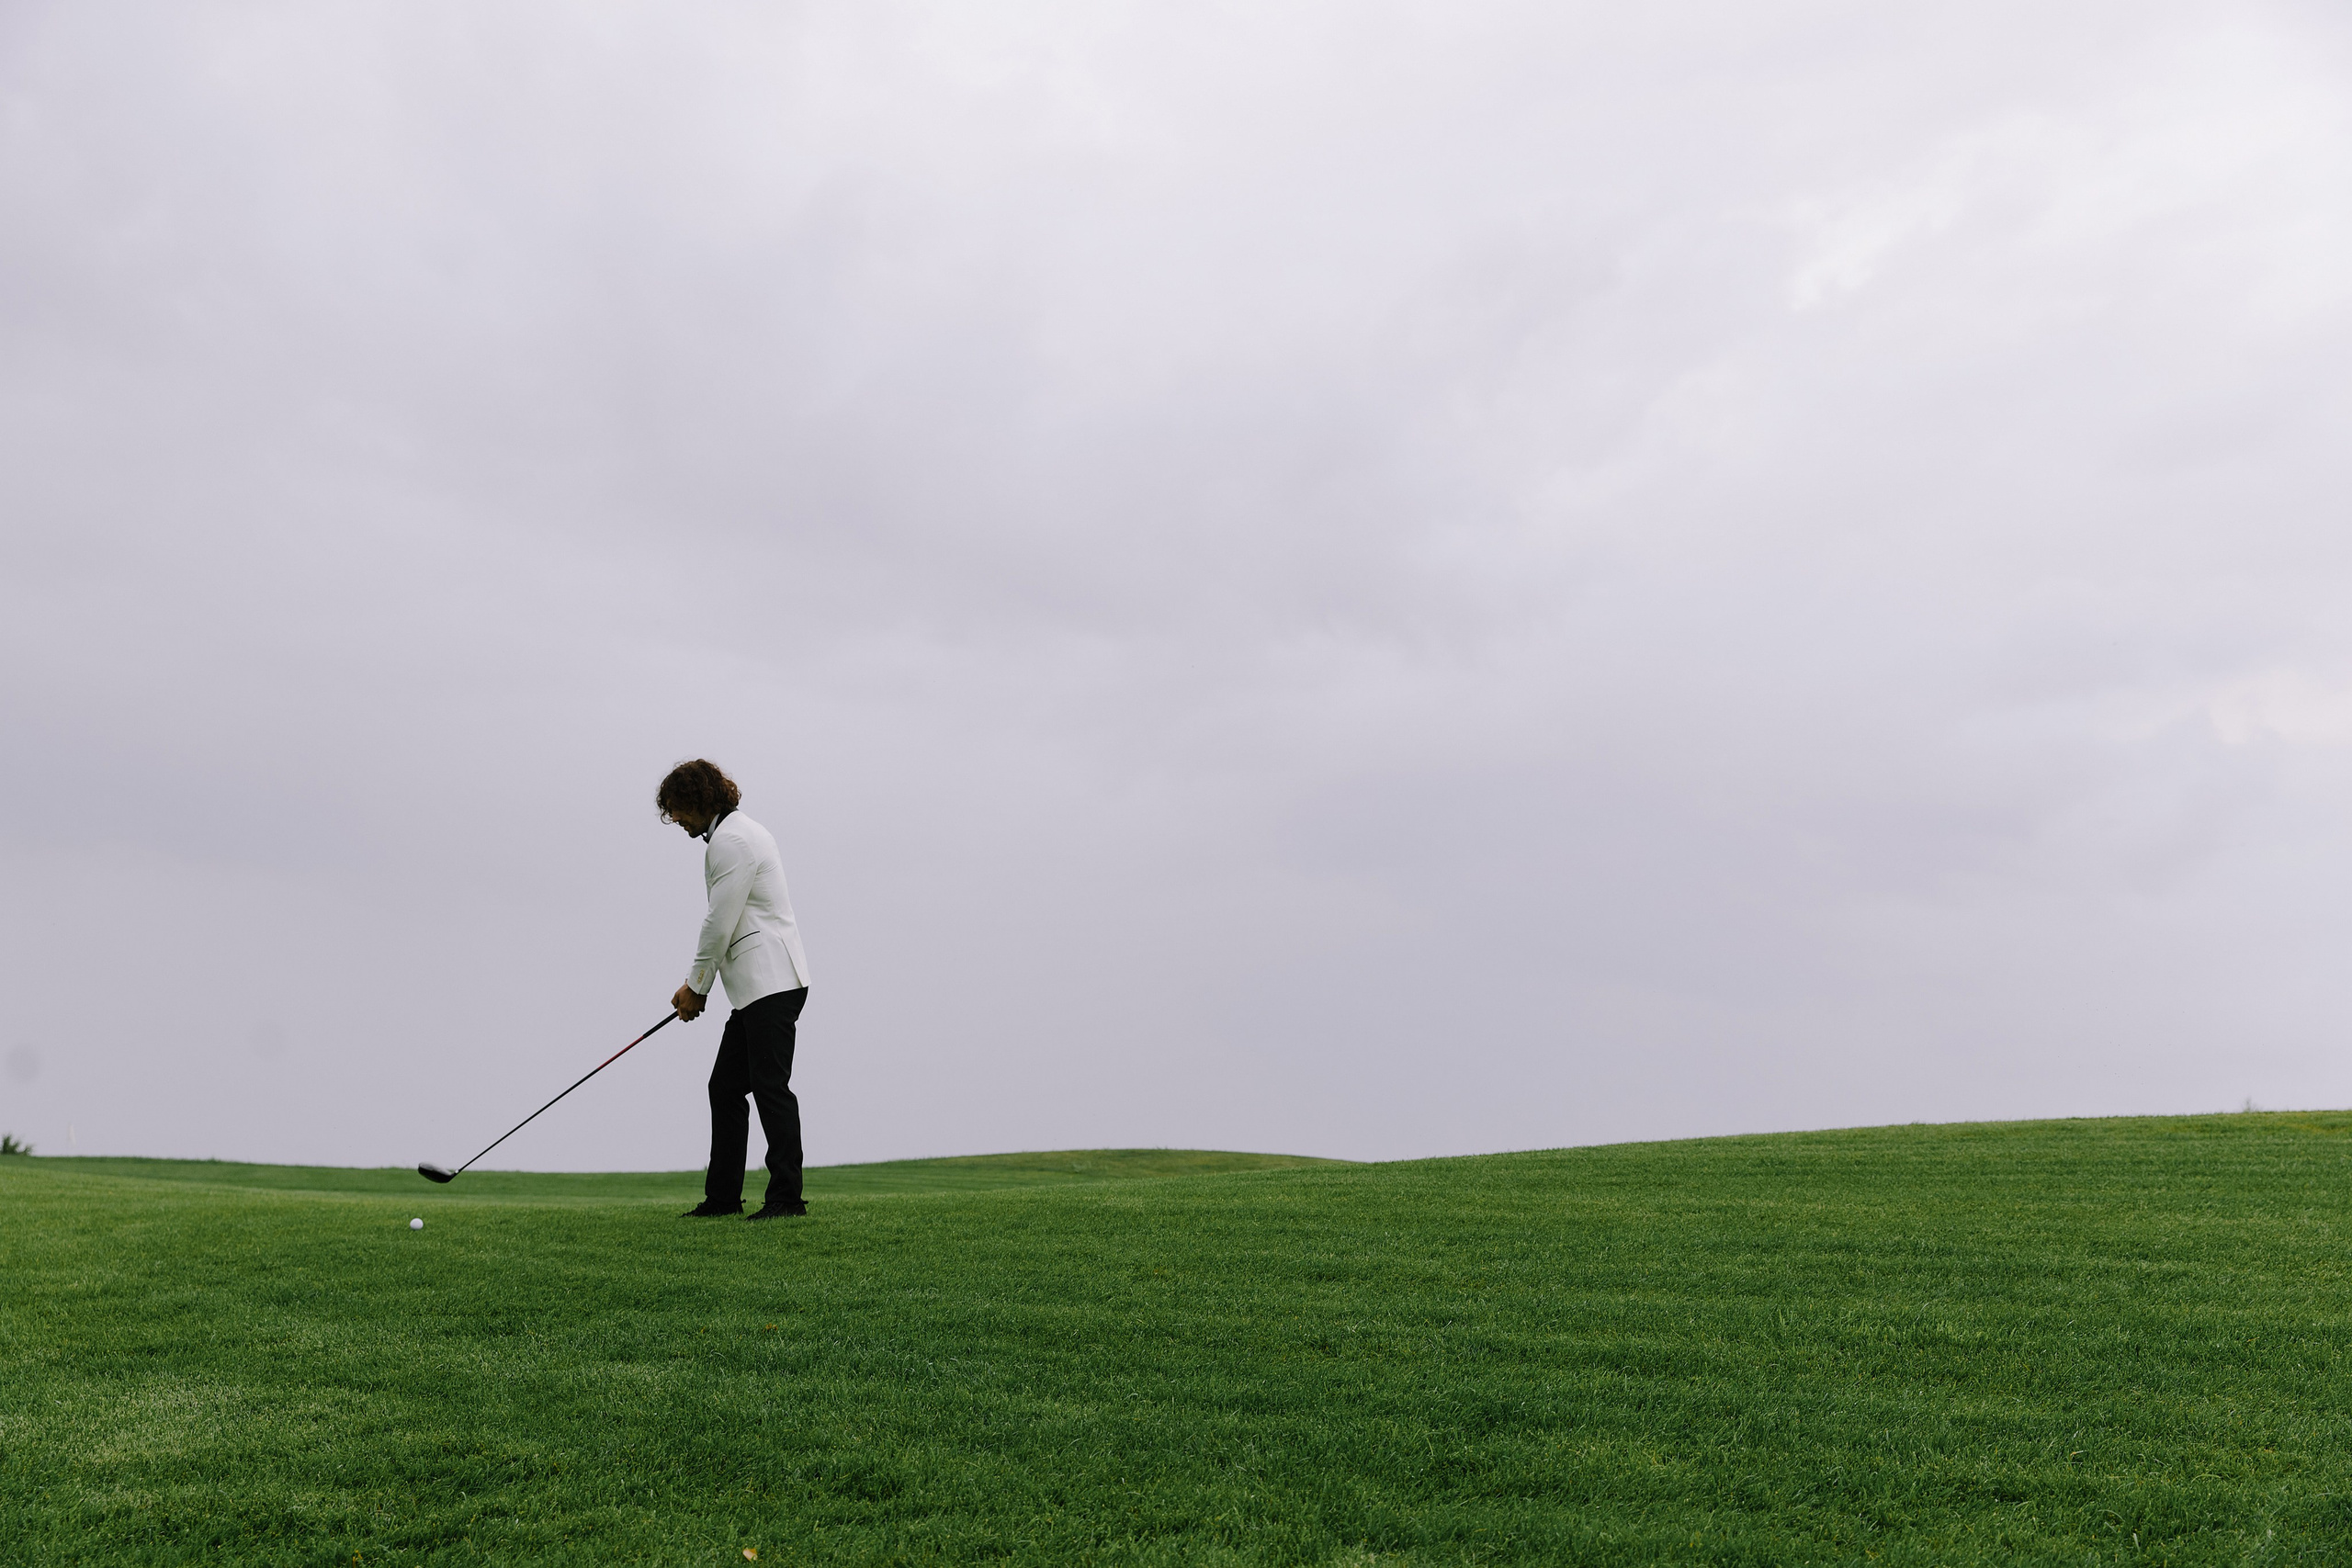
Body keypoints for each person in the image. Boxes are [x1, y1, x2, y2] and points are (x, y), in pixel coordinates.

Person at [656, 759, 813, 1221]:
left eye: (680, 809)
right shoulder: (733, 834)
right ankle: (723, 1199)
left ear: (701, 801)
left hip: (772, 982)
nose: (677, 820)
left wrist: (695, 987)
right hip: (757, 988)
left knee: (770, 1088)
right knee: (725, 1088)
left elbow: (719, 923)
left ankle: (786, 1199)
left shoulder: (732, 840)